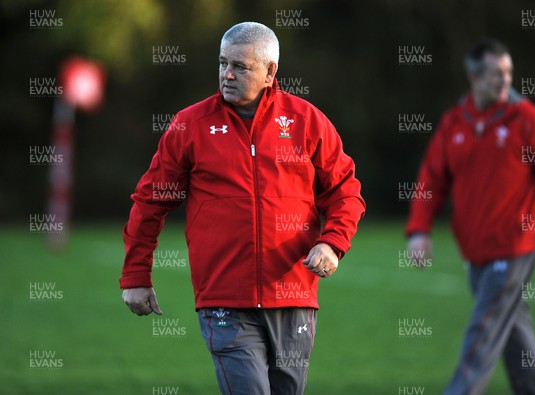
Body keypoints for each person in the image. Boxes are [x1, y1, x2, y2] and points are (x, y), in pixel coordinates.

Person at [119, 22, 365, 394]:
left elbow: (346, 191)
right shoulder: (190, 125)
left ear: (270, 72)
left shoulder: (307, 122)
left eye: (241, 66)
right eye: (222, 63)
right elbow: (151, 200)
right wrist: (136, 275)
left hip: (293, 295)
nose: (227, 74)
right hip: (223, 298)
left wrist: (332, 243)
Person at [405, 38, 535, 395]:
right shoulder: (454, 123)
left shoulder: (529, 120)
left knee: (483, 331)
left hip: (516, 246)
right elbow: (431, 180)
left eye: (509, 73)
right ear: (473, 75)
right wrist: (419, 230)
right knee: (516, 335)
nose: (505, 81)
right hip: (476, 254)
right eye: (495, 74)